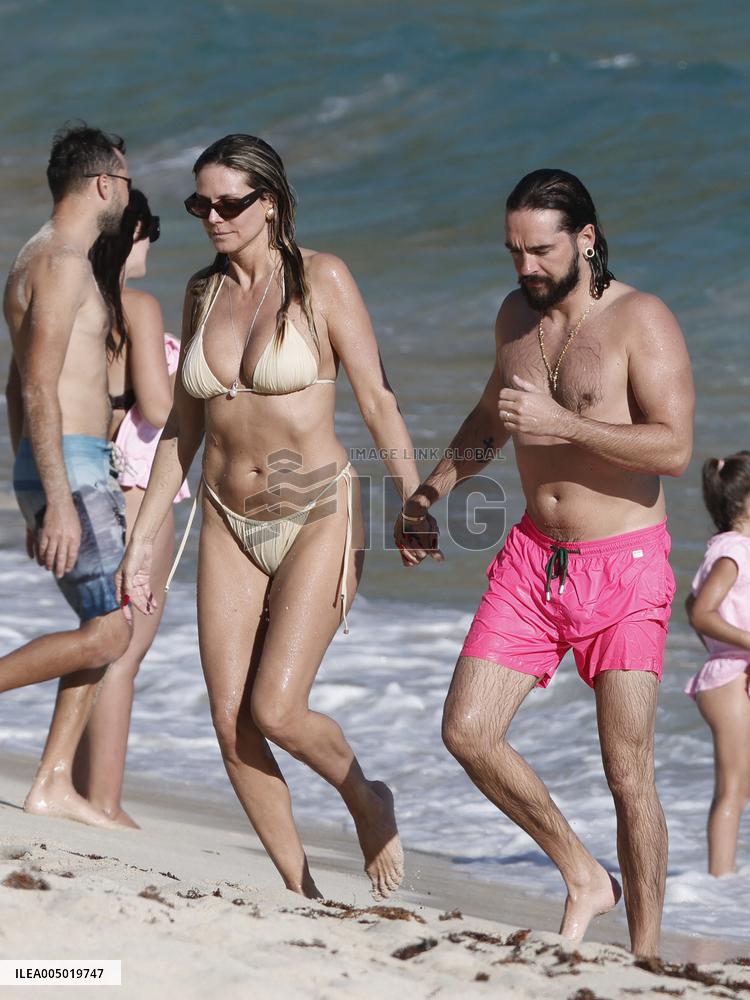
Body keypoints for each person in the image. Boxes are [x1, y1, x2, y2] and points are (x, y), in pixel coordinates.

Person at [117, 133, 437, 899]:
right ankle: (303, 893)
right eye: (201, 204)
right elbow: (183, 435)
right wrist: (140, 541)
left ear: (271, 202)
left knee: (277, 707)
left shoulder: (322, 280)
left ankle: (365, 796)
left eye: (229, 203)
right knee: (232, 726)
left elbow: (377, 398)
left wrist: (416, 497)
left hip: (318, 512)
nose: (214, 217)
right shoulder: (202, 293)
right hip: (227, 519)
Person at [396, 169, 694, 956]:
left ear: (585, 240)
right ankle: (582, 872)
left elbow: (673, 445)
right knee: (467, 730)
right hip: (535, 560)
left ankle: (647, 954)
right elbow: (492, 419)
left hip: (625, 568)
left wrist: (565, 421)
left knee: (628, 774)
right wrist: (430, 493)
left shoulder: (642, 320)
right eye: (513, 252)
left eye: (540, 251)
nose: (524, 268)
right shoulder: (514, 319)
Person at [2, 123, 133, 827]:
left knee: (101, 620)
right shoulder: (61, 264)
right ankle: (51, 778)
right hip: (74, 468)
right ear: (104, 183)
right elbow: (39, 386)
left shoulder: (32, 258)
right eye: (127, 177)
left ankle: (53, 780)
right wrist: (54, 499)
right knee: (112, 631)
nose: (129, 189)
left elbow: (12, 386)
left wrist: (30, 480)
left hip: (56, 464)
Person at [71, 190, 190, 828]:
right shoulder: (137, 307)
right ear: (131, 234)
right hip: (139, 488)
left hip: (82, 480)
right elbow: (157, 404)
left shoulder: (70, 304)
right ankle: (105, 801)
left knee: (100, 643)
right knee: (126, 649)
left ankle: (72, 783)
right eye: (148, 236)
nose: (150, 249)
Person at [685, 451, 750, 877]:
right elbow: (700, 613)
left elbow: (692, 600)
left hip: (729, 672)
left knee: (740, 787)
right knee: (731, 790)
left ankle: (724, 884)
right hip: (729, 680)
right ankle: (718, 885)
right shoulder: (735, 552)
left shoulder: (731, 549)